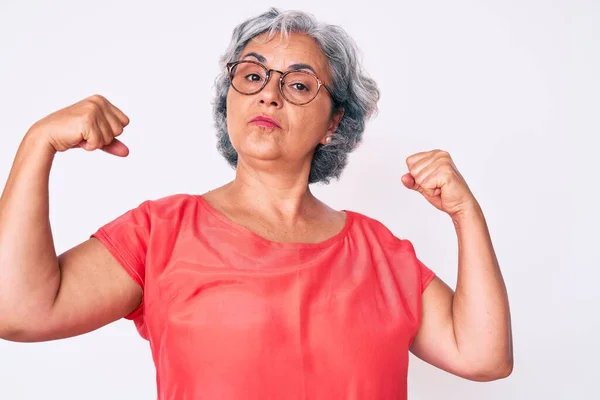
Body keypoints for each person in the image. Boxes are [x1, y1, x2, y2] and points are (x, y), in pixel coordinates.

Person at [0, 7, 513, 400]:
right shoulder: (160, 233)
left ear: (334, 123)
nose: (269, 94)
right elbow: (19, 311)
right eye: (252, 75)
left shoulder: (380, 252)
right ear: (230, 98)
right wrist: (37, 144)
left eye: (298, 85)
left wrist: (467, 215)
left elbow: (484, 355)